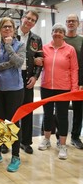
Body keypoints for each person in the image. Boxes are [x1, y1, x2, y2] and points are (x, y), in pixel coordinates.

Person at [0, 17, 25, 172]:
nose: (7, 29)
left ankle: (15, 156)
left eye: (10, 27)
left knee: (13, 124)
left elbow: (18, 63)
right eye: (4, 27)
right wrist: (7, 64)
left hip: (15, 90)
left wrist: (9, 47)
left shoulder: (20, 45)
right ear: (0, 29)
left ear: (14, 29)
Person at [38, 23, 78, 160]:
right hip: (46, 87)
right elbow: (39, 64)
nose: (58, 33)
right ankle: (47, 139)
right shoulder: (44, 48)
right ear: (51, 33)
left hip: (63, 88)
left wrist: (74, 89)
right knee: (47, 114)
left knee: (62, 116)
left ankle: (62, 144)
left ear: (64, 34)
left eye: (61, 31)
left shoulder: (70, 49)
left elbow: (74, 69)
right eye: (55, 31)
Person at [17, 10, 43, 154]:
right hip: (11, 77)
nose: (29, 21)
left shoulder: (36, 39)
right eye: (27, 18)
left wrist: (35, 77)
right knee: (9, 112)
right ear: (22, 18)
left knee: (27, 111)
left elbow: (40, 61)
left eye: (32, 20)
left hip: (28, 77)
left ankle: (26, 142)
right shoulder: (10, 33)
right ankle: (4, 142)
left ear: (34, 23)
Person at [64, 14, 83, 149]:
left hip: (79, 82)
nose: (71, 23)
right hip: (62, 82)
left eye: (73, 21)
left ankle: (75, 137)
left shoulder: (81, 41)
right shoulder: (60, 39)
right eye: (69, 21)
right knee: (61, 110)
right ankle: (61, 134)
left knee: (79, 110)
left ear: (78, 23)